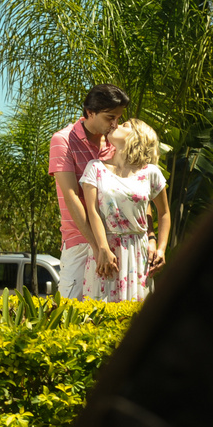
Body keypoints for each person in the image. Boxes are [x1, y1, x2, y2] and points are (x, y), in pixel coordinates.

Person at [49, 83, 130, 299]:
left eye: (118, 118)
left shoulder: (117, 142)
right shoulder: (63, 140)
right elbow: (71, 197)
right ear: (90, 112)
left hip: (118, 241)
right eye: (109, 117)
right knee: (70, 311)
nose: (115, 124)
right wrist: (97, 247)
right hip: (80, 241)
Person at [79, 119, 171, 302]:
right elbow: (92, 212)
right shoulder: (95, 168)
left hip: (139, 254)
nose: (115, 125)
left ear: (137, 137)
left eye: (124, 125)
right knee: (99, 317)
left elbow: (164, 213)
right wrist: (102, 248)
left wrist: (161, 249)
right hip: (106, 253)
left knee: (136, 319)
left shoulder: (151, 173)